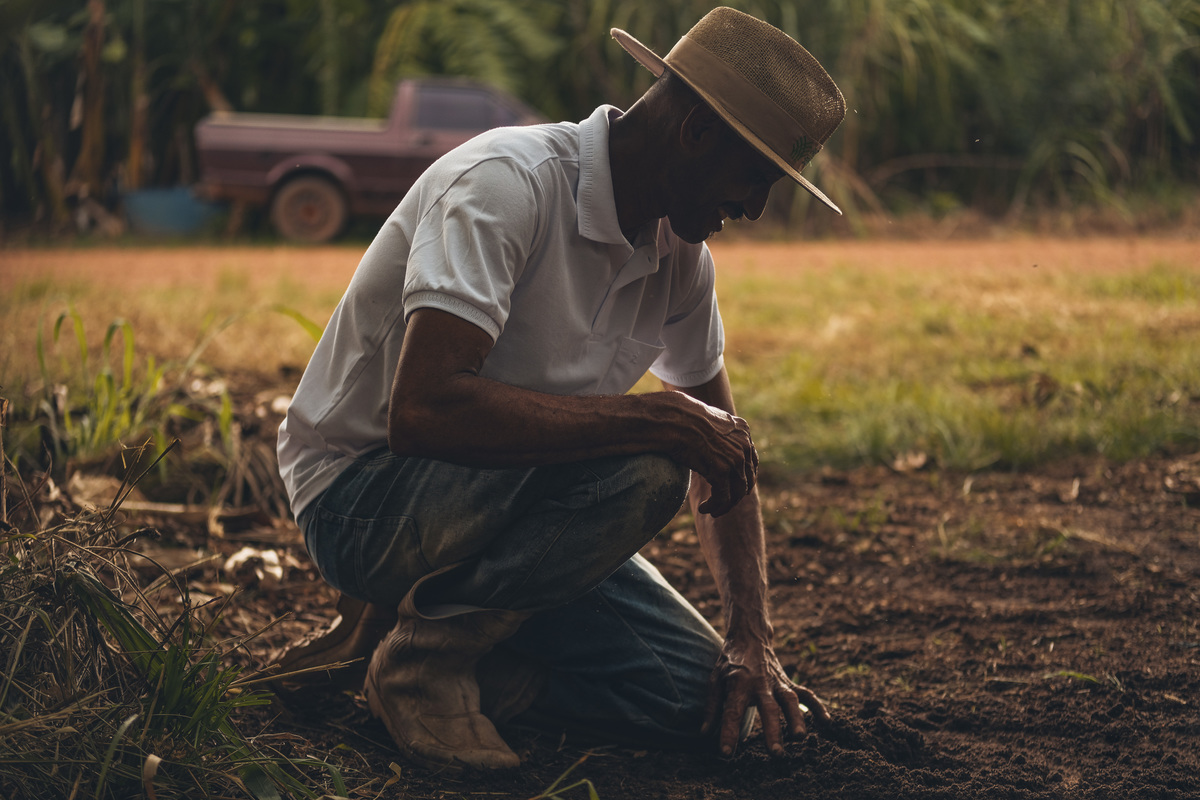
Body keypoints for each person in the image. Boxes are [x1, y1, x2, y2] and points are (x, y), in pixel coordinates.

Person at [275, 6, 846, 770]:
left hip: (513, 518)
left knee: (706, 706)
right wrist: (658, 421)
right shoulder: (506, 184)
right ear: (696, 133)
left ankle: (444, 650)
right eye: (755, 178)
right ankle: (427, 665)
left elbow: (725, 457)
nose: (753, 207)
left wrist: (752, 637)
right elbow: (424, 410)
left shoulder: (683, 262)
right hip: (363, 499)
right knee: (651, 464)